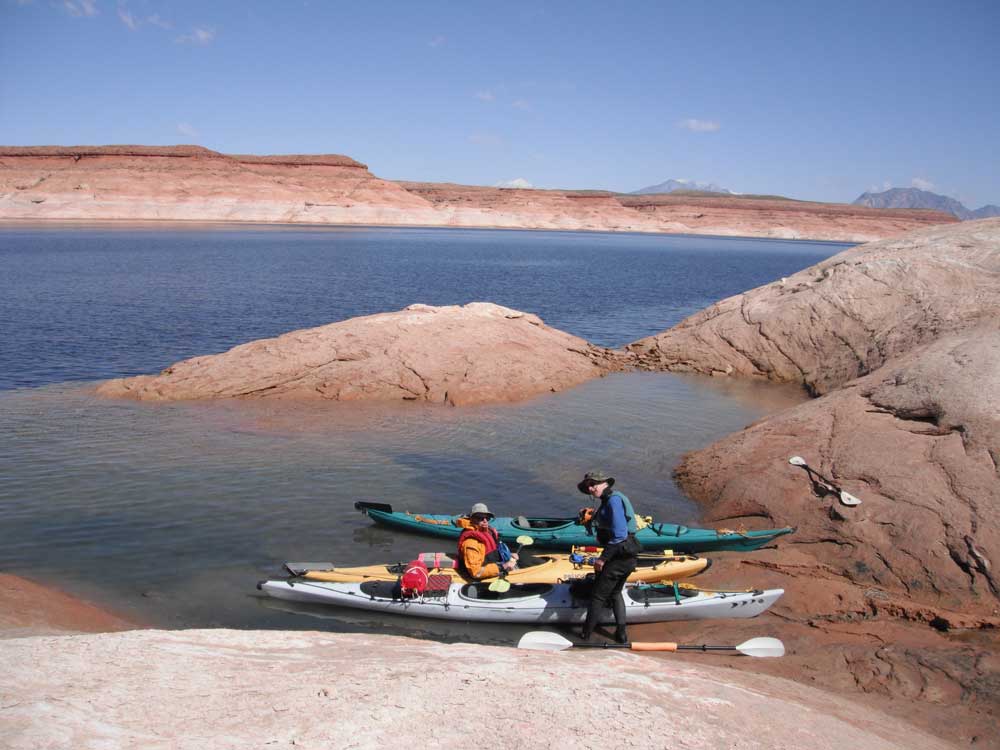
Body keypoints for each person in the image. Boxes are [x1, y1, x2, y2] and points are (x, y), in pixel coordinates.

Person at [576, 470, 640, 643]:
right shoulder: (608, 500)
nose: (590, 488)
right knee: (615, 593)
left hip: (618, 555)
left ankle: (585, 636)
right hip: (629, 556)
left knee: (597, 596)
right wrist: (590, 521)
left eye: (593, 484)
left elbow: (619, 534)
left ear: (604, 482)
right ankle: (621, 635)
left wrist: (602, 558)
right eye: (588, 486)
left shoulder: (613, 501)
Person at [457, 502, 518, 580]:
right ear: (472, 519)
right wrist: (503, 566)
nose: (485, 521)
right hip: (482, 576)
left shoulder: (489, 532)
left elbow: (494, 551)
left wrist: (509, 555)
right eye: (480, 518)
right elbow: (475, 572)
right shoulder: (471, 543)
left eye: (487, 517)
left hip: (494, 566)